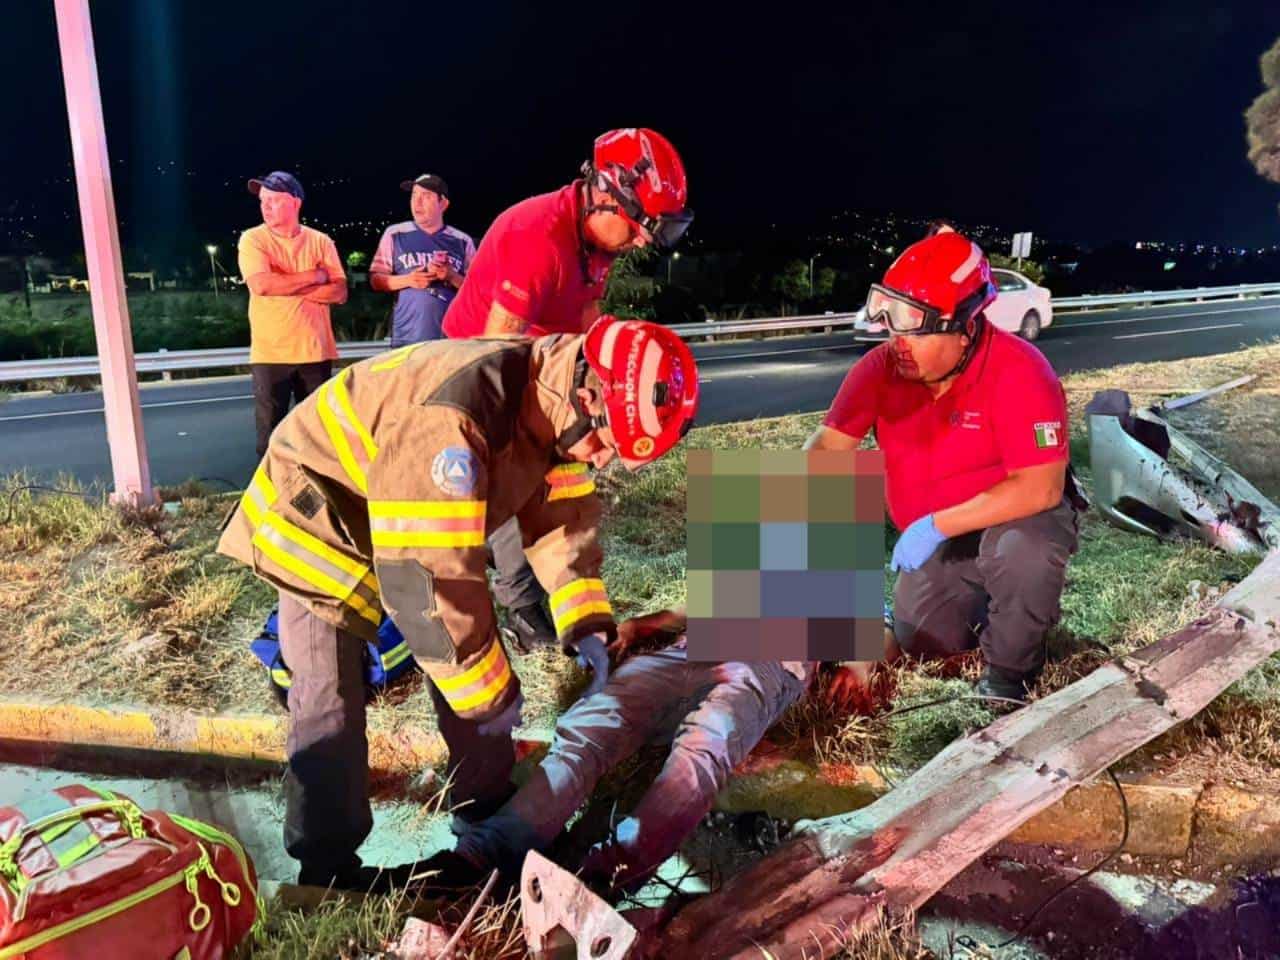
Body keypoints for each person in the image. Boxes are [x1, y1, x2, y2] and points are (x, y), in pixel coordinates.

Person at [215, 317, 699, 890]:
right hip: (318, 516)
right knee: (330, 700)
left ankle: (488, 813)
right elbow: (427, 588)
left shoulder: (557, 396)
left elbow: (562, 520)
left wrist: (586, 621)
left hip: (404, 521)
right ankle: (325, 873)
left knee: (476, 660)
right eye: (604, 444)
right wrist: (491, 697)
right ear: (588, 396)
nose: (600, 460)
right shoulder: (457, 420)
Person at [442, 128, 693, 652]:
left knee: (563, 469)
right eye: (641, 226)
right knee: (515, 473)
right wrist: (529, 435)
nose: (644, 240)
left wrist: (600, 388)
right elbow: (493, 351)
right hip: (476, 363)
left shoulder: (598, 239)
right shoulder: (538, 237)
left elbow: (586, 315)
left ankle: (551, 583)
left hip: (542, 360)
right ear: (605, 193)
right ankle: (519, 603)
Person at [807, 232, 1080, 704]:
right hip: (939, 539)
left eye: (916, 327)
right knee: (925, 647)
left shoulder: (1022, 374)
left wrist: (934, 524)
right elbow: (825, 454)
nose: (898, 341)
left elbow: (1040, 489)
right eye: (891, 322)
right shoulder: (881, 369)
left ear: (966, 326)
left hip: (1011, 516)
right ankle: (971, 616)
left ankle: (1008, 677)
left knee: (1023, 550)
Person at [422, 606, 812, 896]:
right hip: (692, 649)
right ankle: (483, 856)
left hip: (768, 663)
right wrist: (644, 625)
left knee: (709, 738)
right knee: (597, 717)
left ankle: (602, 878)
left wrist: (858, 668)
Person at [238, 171, 348, 457]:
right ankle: (271, 497)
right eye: (263, 201)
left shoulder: (320, 241)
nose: (266, 206)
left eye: (274, 200)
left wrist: (285, 286)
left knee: (318, 436)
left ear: (296, 202)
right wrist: (315, 275)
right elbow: (261, 285)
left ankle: (319, 495)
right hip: (270, 355)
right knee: (271, 438)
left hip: (316, 351)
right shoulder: (253, 239)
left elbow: (339, 293)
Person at [370, 174, 475, 348]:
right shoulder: (395, 233)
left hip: (451, 342)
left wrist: (451, 276)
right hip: (406, 339)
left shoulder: (462, 241)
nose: (417, 202)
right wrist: (409, 280)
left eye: (426, 196)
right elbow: (376, 281)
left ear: (443, 204)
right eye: (414, 195)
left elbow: (478, 291)